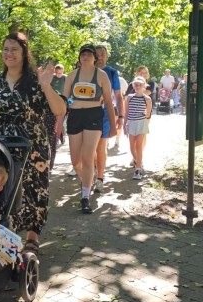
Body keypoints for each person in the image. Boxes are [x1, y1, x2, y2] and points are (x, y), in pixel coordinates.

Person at [0, 32, 66, 255]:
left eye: (14, 49)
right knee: (5, 191)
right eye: (6, 49)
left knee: (35, 190)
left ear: (24, 53)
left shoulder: (36, 81)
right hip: (2, 146)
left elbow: (60, 110)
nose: (9, 53)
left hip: (33, 146)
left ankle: (32, 237)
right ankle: (8, 238)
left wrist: (46, 86)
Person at [60, 43, 116, 214]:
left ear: (95, 58)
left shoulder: (102, 76)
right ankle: (87, 179)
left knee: (87, 156)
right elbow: (64, 101)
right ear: (79, 57)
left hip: (94, 116)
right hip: (75, 116)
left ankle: (85, 196)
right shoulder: (72, 75)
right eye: (83, 54)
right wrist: (59, 122)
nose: (86, 57)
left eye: (89, 54)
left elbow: (108, 101)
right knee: (75, 161)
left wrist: (113, 125)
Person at [93, 44, 124, 193]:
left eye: (103, 54)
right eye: (97, 54)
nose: (100, 57)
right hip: (86, 114)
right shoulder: (85, 71)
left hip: (105, 113)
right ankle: (92, 171)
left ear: (106, 56)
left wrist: (121, 116)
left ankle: (99, 178)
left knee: (100, 146)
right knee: (89, 148)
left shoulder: (112, 72)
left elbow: (118, 96)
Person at [124, 77, 152, 180]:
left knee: (138, 146)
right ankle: (137, 161)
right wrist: (124, 125)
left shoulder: (147, 99)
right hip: (131, 123)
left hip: (141, 123)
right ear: (133, 85)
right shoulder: (129, 97)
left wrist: (145, 114)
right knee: (132, 147)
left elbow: (148, 114)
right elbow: (126, 112)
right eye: (136, 84)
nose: (138, 86)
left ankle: (138, 169)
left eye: (140, 84)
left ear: (144, 86)